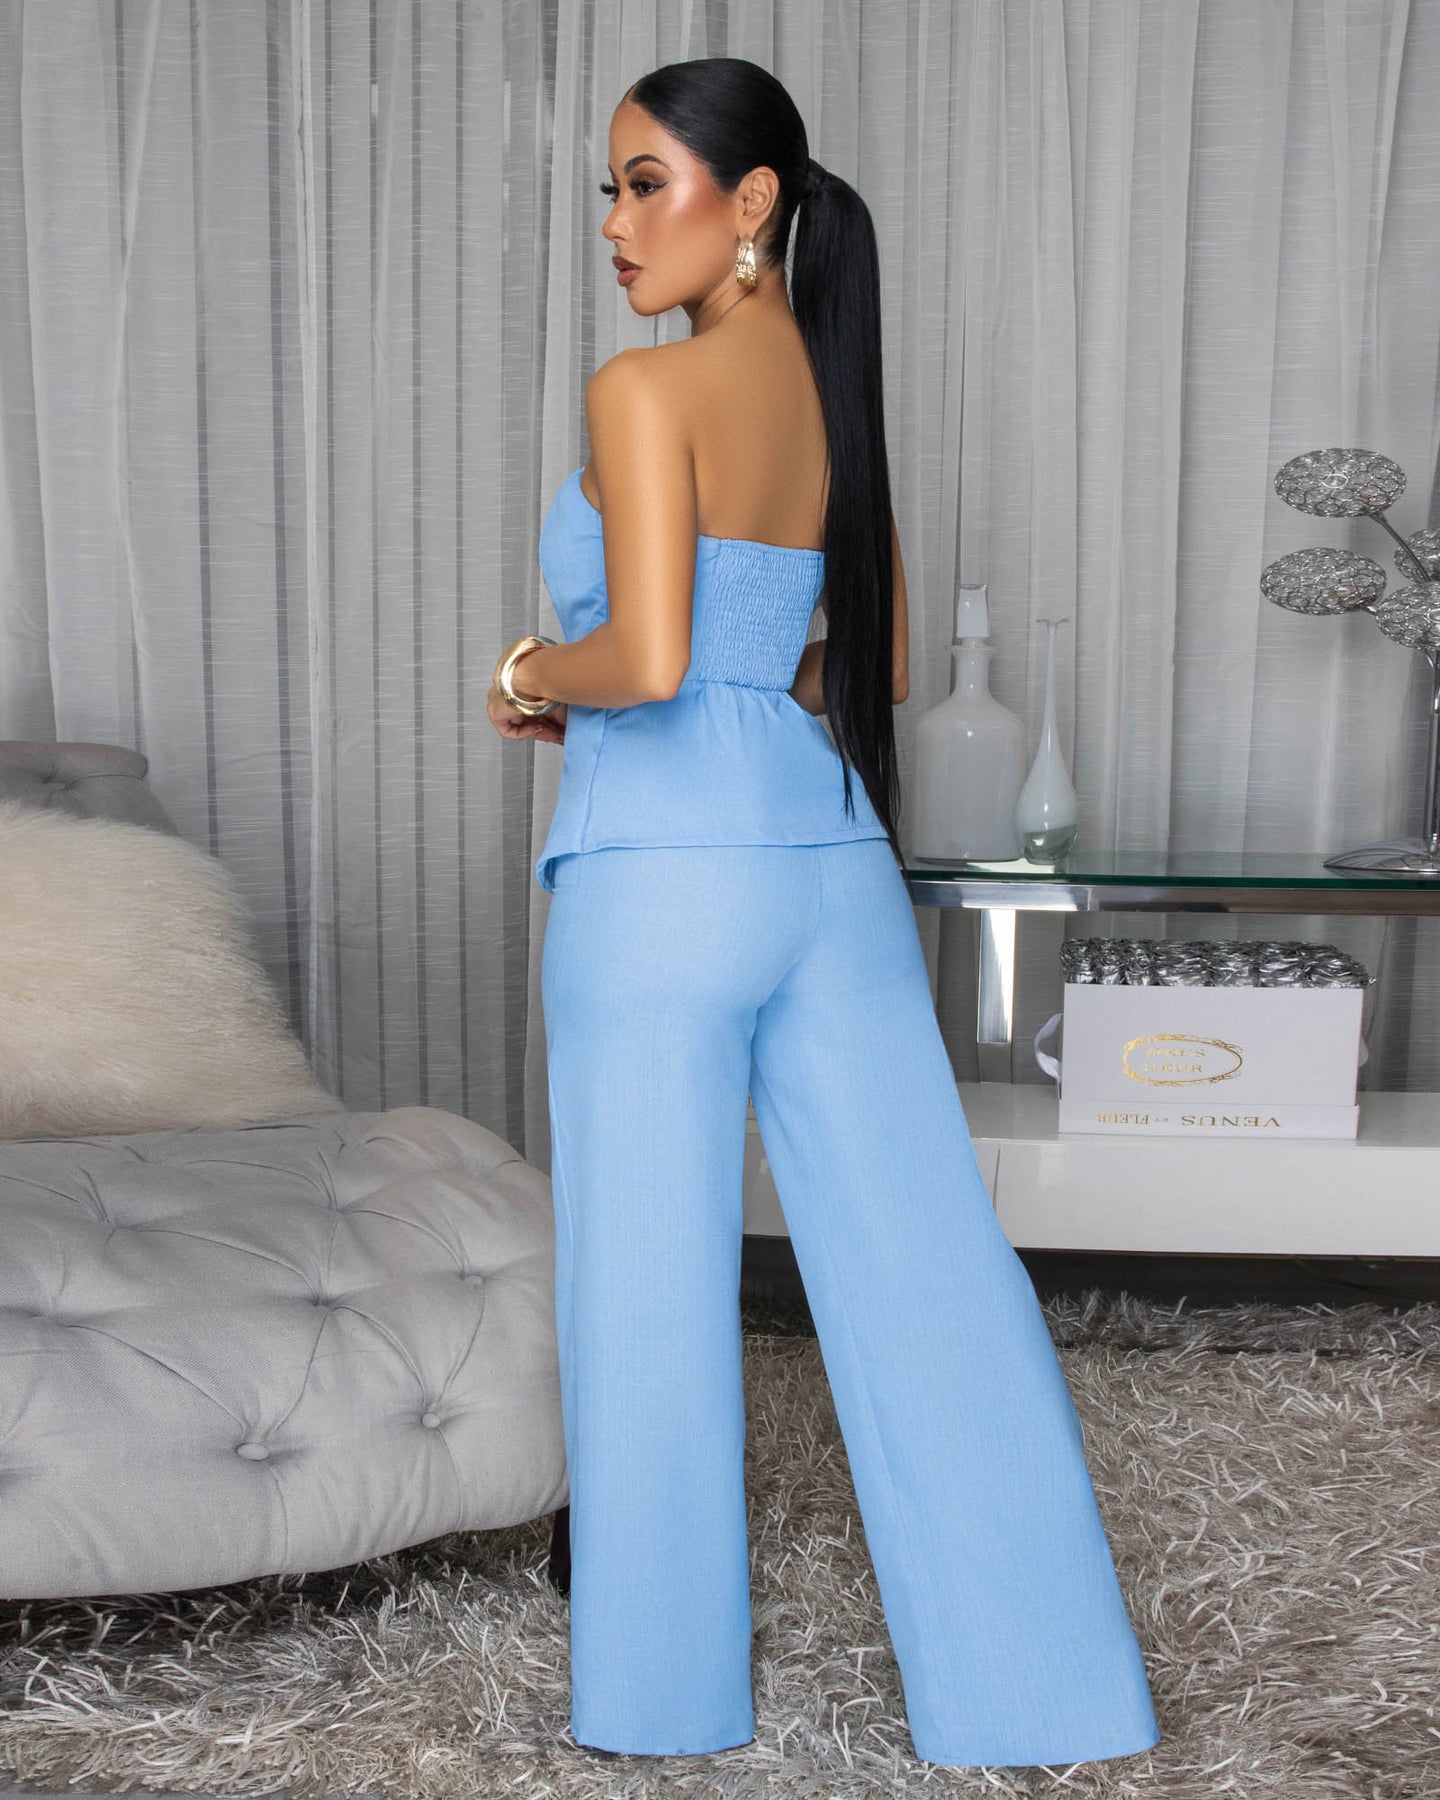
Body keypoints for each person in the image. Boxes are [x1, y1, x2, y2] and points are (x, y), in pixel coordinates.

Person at [487, 55, 1161, 1771]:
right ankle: (1044, 1693)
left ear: (753, 201)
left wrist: (530, 674)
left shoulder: (644, 390)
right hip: (829, 866)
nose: (619, 223)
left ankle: (662, 1705)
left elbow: (645, 658)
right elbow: (875, 661)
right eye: (612, 189)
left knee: (644, 1291)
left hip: (661, 881)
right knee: (930, 1273)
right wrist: (696, 681)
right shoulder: (831, 388)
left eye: (648, 182)